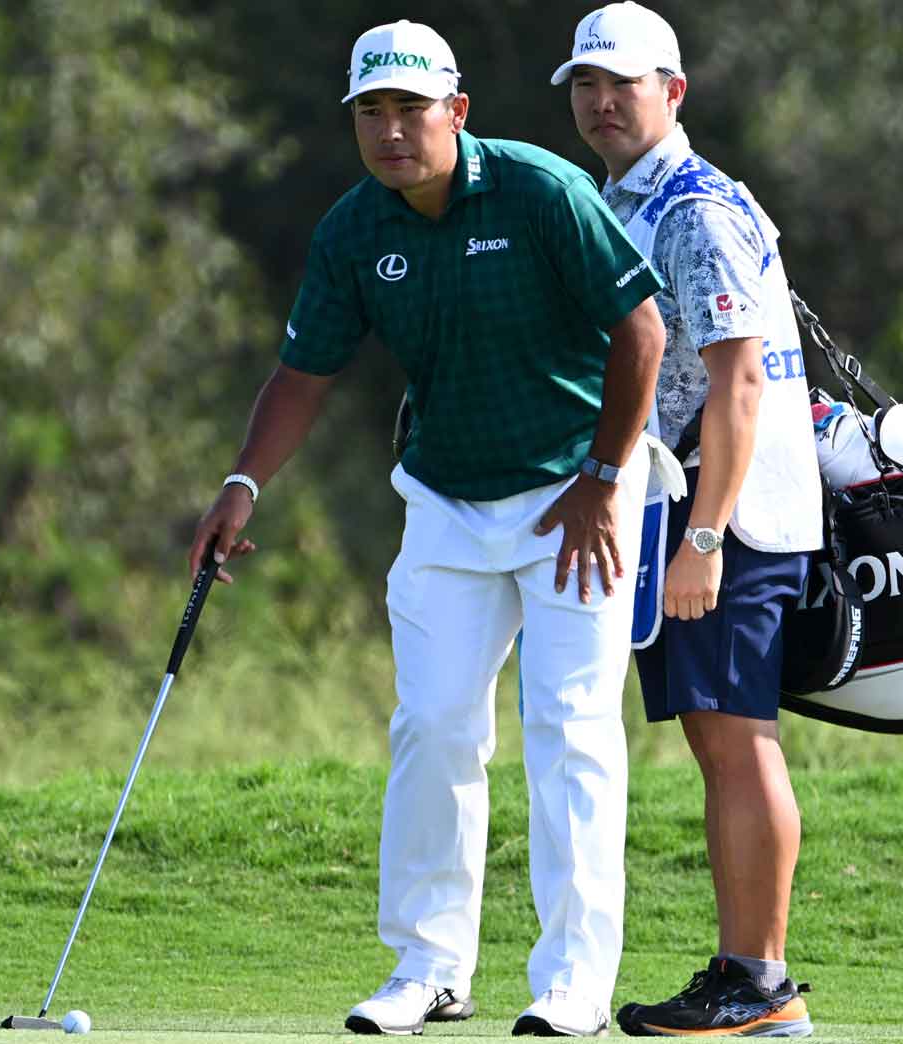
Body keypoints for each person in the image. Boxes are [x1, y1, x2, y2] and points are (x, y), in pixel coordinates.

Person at [188, 19, 670, 1038]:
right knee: (434, 727)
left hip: (574, 499)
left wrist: (601, 472)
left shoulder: (541, 191)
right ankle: (428, 967)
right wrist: (242, 484)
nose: (391, 130)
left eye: (411, 109)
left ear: (455, 111)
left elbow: (641, 329)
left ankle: (572, 982)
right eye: (372, 110)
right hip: (446, 501)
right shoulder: (353, 231)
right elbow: (304, 371)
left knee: (569, 730)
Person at [551, 3, 824, 1037]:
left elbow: (740, 382)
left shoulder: (690, 207)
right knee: (721, 737)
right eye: (584, 84)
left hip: (727, 515)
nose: (599, 102)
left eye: (621, 84)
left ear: (672, 91)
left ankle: (758, 983)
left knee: (734, 737)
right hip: (694, 503)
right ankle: (751, 978)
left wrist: (704, 538)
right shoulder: (635, 197)